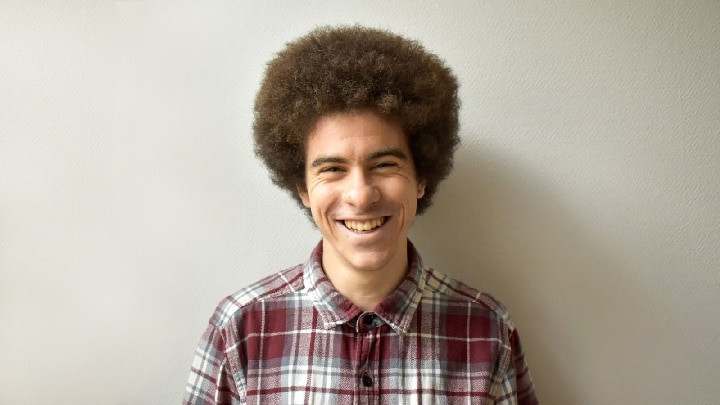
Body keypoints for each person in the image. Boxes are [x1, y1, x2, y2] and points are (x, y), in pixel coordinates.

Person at [183, 25, 538, 404]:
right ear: (303, 188)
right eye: (332, 169)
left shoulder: (487, 331)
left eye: (384, 164)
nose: (361, 195)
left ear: (421, 178)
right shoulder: (240, 330)